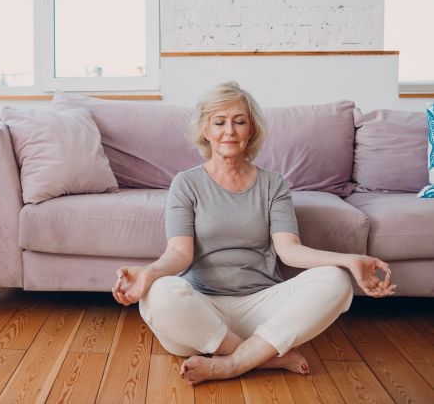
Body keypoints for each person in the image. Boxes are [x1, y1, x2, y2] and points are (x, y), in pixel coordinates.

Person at [111, 81, 396, 385]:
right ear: (205, 131)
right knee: (157, 294)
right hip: (200, 315)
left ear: (252, 130)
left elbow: (290, 250)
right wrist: (148, 273)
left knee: (336, 280)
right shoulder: (186, 184)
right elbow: (179, 253)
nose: (229, 131)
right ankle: (264, 357)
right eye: (219, 122)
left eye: (239, 121)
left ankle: (233, 363)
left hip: (262, 309)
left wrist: (350, 260)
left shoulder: (273, 184)